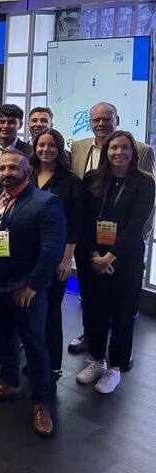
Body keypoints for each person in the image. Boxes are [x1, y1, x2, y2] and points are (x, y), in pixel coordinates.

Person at [0, 149, 66, 438]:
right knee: (3, 336)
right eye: (2, 168)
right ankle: (8, 382)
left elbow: (51, 251)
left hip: (26, 288)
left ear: (27, 170)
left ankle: (41, 402)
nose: (7, 172)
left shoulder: (46, 202)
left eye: (13, 167)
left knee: (35, 343)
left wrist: (32, 286)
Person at [68, 101, 156, 355]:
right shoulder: (80, 149)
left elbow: (144, 207)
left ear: (116, 119)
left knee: (123, 306)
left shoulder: (142, 150)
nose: (101, 124)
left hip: (126, 246)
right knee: (92, 298)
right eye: (96, 119)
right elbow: (83, 206)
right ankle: (91, 341)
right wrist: (93, 250)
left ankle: (118, 357)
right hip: (92, 243)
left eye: (107, 119)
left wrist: (133, 239)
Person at [76, 131, 155, 394]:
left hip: (126, 259)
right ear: (106, 151)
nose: (118, 152)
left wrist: (110, 256)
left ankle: (115, 367)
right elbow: (85, 221)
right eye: (113, 148)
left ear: (133, 152)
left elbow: (136, 226)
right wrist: (93, 256)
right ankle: (97, 360)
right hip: (94, 256)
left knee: (122, 314)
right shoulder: (92, 179)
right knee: (95, 310)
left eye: (124, 148)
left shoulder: (145, 183)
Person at [29, 128, 84, 381]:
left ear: (60, 149)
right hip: (27, 256)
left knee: (51, 312)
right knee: (30, 312)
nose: (46, 149)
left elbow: (75, 223)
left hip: (55, 258)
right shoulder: (26, 175)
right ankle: (34, 360)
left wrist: (66, 258)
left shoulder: (71, 182)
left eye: (51, 145)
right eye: (41, 144)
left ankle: (53, 366)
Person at [0, 104, 32, 168]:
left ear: (20, 125)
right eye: (2, 122)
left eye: (11, 122)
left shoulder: (31, 152)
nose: (6, 126)